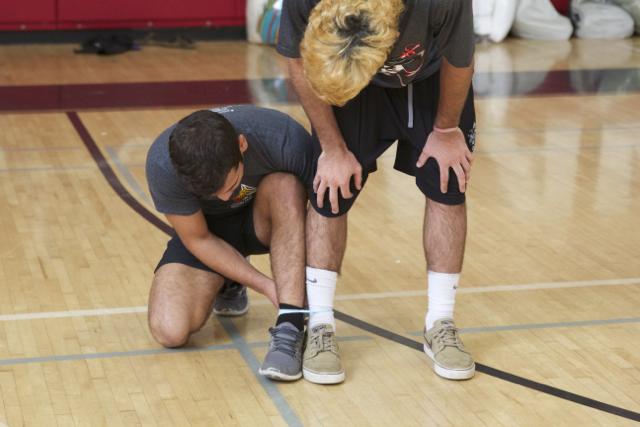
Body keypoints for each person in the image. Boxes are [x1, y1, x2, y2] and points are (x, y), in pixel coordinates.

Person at [278, 0, 477, 382]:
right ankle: (320, 324)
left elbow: (460, 56)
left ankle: (440, 320)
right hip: (349, 75)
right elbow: (298, 62)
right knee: (329, 188)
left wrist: (448, 130)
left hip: (431, 76)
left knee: (448, 180)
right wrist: (332, 147)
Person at [145, 105, 313, 381]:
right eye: (212, 192)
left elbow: (320, 219)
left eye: (231, 185)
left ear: (242, 145)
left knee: (286, 184)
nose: (224, 199)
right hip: (208, 233)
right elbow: (197, 238)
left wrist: (305, 299)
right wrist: (267, 286)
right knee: (169, 330)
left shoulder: (283, 138)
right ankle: (229, 277)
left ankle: (290, 325)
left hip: (264, 219)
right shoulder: (164, 164)